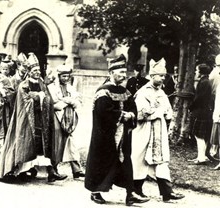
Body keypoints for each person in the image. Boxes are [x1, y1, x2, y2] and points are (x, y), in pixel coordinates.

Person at [84, 54, 149, 206]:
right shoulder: (103, 91)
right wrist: (122, 115)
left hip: (122, 136)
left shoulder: (124, 91)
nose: (123, 75)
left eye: (124, 72)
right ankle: (96, 192)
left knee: (125, 162)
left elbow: (132, 106)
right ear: (111, 73)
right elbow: (103, 112)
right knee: (102, 162)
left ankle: (130, 194)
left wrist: (131, 114)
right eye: (120, 72)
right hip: (105, 135)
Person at [0, 53, 68, 183]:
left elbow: (48, 99)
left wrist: (43, 98)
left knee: (43, 146)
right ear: (29, 72)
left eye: (38, 70)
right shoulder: (24, 85)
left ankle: (51, 172)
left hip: (41, 119)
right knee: (27, 144)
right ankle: (18, 171)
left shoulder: (42, 83)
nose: (37, 72)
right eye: (34, 70)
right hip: (28, 121)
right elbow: (24, 101)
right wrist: (38, 97)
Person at [131, 58, 185, 202]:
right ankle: (136, 191)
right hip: (144, 131)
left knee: (161, 161)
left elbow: (168, 111)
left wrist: (160, 112)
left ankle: (167, 192)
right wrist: (157, 112)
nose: (162, 79)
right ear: (152, 75)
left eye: (164, 76)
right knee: (140, 161)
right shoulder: (143, 92)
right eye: (160, 76)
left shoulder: (161, 92)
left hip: (159, 131)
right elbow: (140, 114)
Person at [47, 64, 85, 179]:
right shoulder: (52, 87)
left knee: (71, 142)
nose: (65, 79)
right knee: (57, 143)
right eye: (63, 76)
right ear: (58, 76)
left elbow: (78, 101)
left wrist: (68, 101)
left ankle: (76, 170)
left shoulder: (71, 88)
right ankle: (53, 170)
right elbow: (54, 105)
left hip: (69, 118)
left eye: (67, 76)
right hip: (57, 118)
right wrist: (68, 102)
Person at [189, 64, 213, 164]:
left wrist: (191, 107)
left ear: (201, 72)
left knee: (198, 135)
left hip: (200, 111)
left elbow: (199, 98)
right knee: (203, 135)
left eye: (197, 70)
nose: (196, 72)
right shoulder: (206, 81)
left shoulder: (203, 82)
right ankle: (201, 156)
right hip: (205, 111)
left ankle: (201, 158)